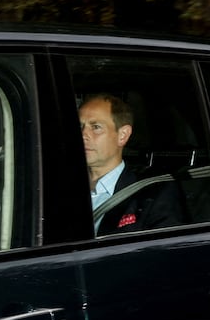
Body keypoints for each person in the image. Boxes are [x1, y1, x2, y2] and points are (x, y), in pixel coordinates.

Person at [79, 92, 185, 235]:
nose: (83, 134)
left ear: (122, 135)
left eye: (96, 127)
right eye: (79, 126)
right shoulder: (56, 187)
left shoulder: (153, 194)